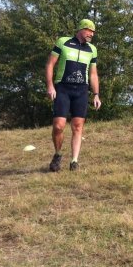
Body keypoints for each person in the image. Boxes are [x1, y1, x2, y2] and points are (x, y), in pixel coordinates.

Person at [45, 19, 101, 172]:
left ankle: (74, 161)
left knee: (77, 126)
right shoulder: (63, 42)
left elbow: (93, 73)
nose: (91, 34)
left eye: (93, 32)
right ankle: (57, 154)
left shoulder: (92, 49)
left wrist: (96, 94)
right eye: (89, 30)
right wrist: (50, 86)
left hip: (81, 90)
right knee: (58, 126)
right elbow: (50, 64)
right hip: (63, 88)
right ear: (81, 29)